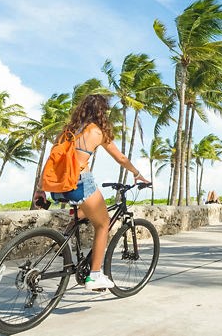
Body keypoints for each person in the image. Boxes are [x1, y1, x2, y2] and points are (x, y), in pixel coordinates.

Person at [37, 94, 149, 291]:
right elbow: (121, 158)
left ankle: (69, 232)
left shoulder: (67, 131)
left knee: (87, 212)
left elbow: (52, 160)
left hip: (57, 186)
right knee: (103, 223)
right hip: (79, 182)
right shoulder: (97, 132)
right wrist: (137, 173)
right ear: (101, 112)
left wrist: (40, 189)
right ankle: (95, 276)